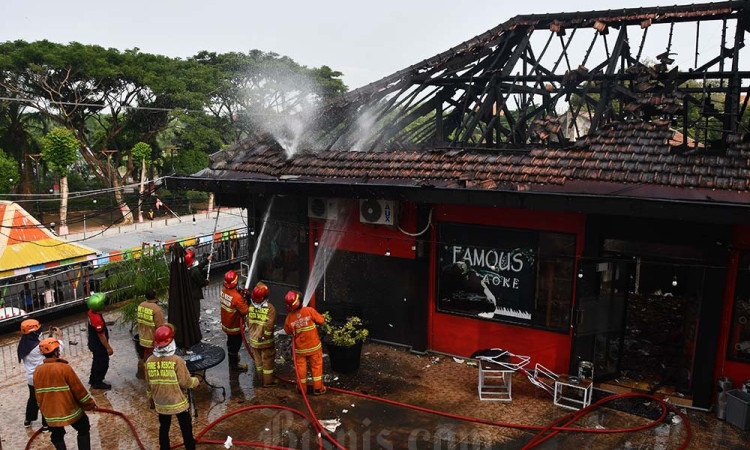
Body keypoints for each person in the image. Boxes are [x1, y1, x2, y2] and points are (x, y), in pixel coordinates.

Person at [34, 337, 96, 450]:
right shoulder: (64, 368)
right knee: (83, 427)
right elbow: (79, 390)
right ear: (56, 351)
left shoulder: (37, 371)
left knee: (57, 435)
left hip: (50, 413)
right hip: (69, 410)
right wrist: (89, 403)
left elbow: (38, 395)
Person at [146, 325, 199, 450]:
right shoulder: (177, 360)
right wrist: (195, 381)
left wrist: (150, 399)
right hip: (178, 402)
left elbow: (149, 385)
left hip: (161, 402)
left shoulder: (149, 361)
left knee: (164, 428)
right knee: (186, 428)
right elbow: (185, 382)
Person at [19, 319, 64, 431]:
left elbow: (44, 348)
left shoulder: (23, 345)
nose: (40, 332)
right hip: (42, 377)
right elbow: (54, 352)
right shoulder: (37, 347)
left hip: (31, 378)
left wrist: (49, 337)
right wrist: (59, 337)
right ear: (34, 332)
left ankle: (28, 420)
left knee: (33, 399)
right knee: (45, 399)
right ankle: (45, 425)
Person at [283, 290, 326, 395]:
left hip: (300, 349)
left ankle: (302, 389)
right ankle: (318, 389)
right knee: (316, 367)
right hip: (314, 347)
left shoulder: (289, 318)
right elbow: (321, 320)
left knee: (300, 369)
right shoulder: (309, 311)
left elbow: (287, 331)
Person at [247, 282, 277, 386]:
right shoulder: (270, 308)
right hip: (265, 342)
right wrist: (266, 337)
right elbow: (269, 326)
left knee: (258, 363)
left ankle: (261, 380)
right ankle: (268, 382)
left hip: (254, 341)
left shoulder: (250, 307)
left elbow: (248, 322)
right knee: (267, 362)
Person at [219, 270, 249, 371]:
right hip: (235, 327)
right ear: (235, 282)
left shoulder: (223, 292)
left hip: (227, 325)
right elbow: (245, 311)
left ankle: (233, 359)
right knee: (235, 346)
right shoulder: (237, 298)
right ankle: (234, 366)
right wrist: (247, 300)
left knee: (230, 344)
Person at [87, 293, 113, 389]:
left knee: (96, 361)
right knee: (103, 363)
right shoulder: (97, 320)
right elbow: (101, 335)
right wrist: (108, 347)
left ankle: (93, 379)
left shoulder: (91, 312)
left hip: (93, 342)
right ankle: (98, 382)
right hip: (99, 345)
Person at [137, 289, 165, 361]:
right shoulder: (156, 309)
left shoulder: (141, 305)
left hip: (143, 337)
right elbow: (161, 327)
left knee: (146, 357)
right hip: (152, 340)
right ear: (155, 296)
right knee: (153, 359)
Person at [186, 249, 211, 321]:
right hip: (194, 295)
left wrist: (206, 260)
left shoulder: (185, 268)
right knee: (195, 311)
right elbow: (200, 281)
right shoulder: (194, 271)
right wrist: (206, 282)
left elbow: (198, 267)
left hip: (188, 294)